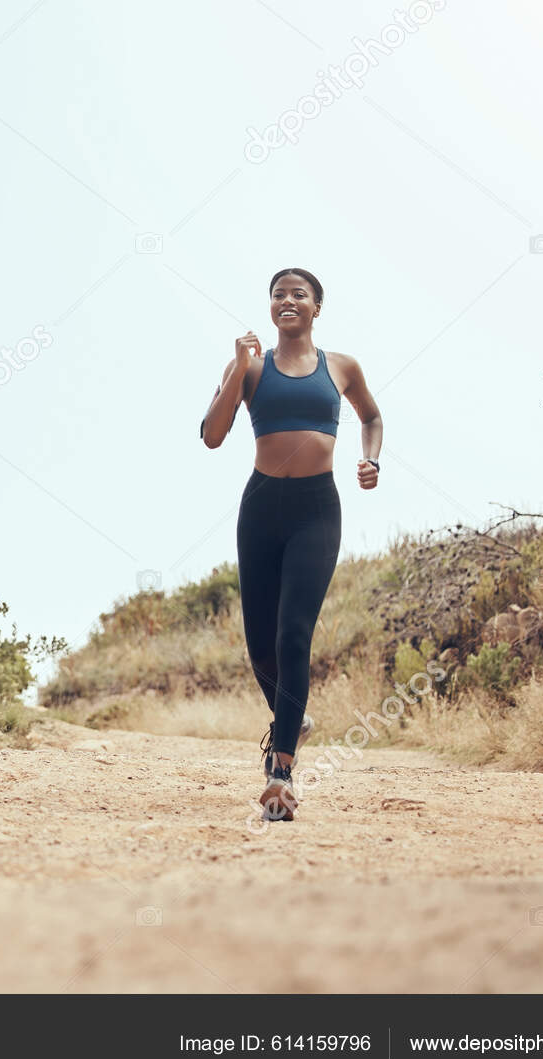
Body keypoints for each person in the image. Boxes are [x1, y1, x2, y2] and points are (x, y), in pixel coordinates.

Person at [199, 268, 383, 821]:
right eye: (278, 294)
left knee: (293, 633)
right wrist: (236, 368)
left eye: (298, 294)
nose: (287, 300)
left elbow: (370, 416)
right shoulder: (248, 368)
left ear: (316, 308)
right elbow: (211, 434)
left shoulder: (342, 367)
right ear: (271, 306)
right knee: (259, 644)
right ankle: (291, 717)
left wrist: (371, 458)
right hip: (261, 509)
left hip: (316, 510)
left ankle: (281, 772)